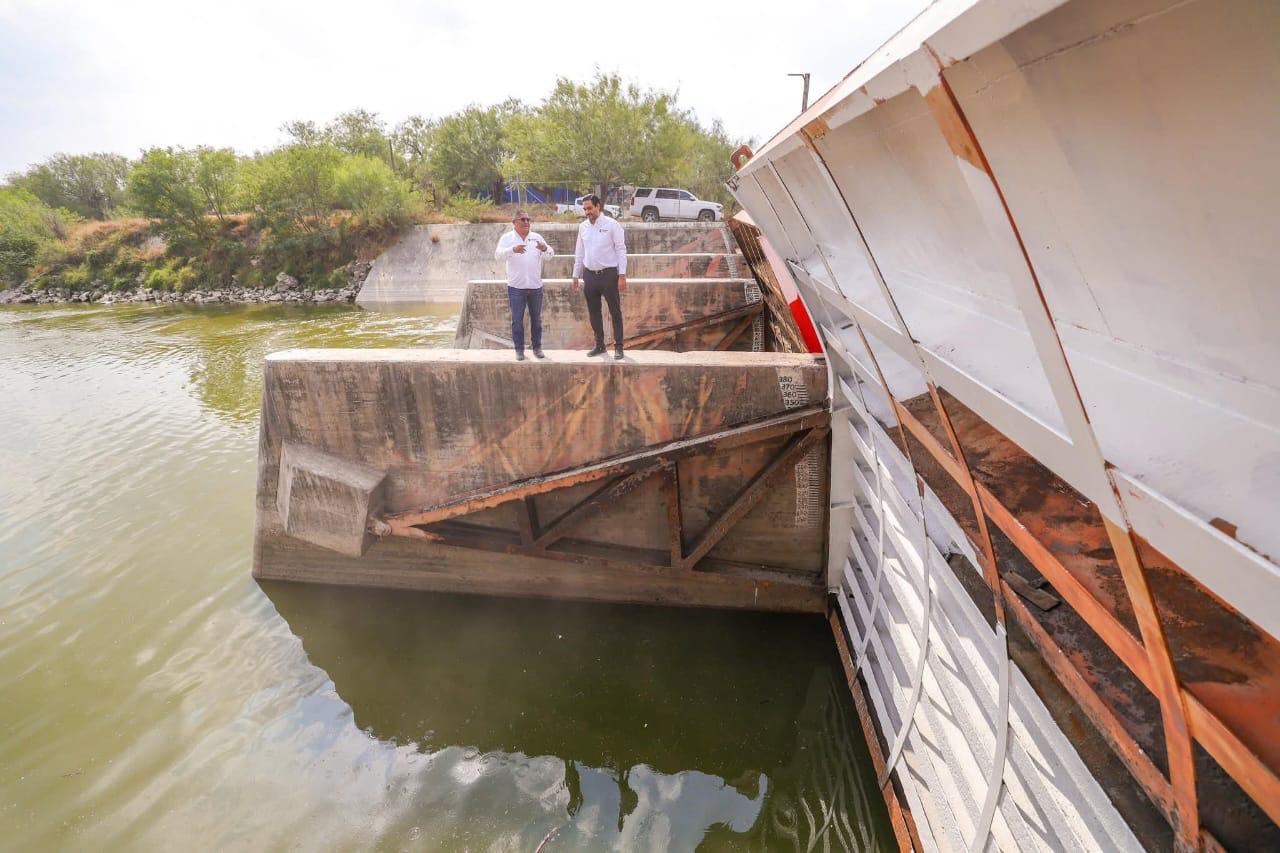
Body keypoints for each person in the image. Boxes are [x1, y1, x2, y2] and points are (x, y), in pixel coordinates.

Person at [571, 195, 627, 359]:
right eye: (585, 209)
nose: (587, 212)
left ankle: (619, 347)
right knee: (593, 312)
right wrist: (576, 274)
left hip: (608, 274)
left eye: (590, 208)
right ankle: (600, 345)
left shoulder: (612, 225)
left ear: (598, 206)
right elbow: (579, 252)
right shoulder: (583, 227)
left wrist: (622, 275)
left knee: (615, 312)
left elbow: (620, 249)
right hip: (590, 275)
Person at [494, 209, 554, 360]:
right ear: (514, 223)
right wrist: (512, 250)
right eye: (523, 220)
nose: (526, 222)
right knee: (517, 321)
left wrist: (544, 248)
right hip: (516, 288)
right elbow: (498, 256)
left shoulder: (536, 238)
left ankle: (537, 348)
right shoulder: (507, 238)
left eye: (528, 219)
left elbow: (551, 255)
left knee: (537, 320)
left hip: (535, 287)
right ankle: (519, 350)